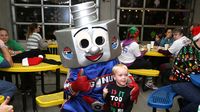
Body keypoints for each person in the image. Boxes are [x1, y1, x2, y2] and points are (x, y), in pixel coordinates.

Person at [171, 25, 200, 112]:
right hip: (179, 81)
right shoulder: (188, 49)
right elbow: (195, 69)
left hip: (191, 81)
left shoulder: (197, 48)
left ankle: (185, 102)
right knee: (199, 101)